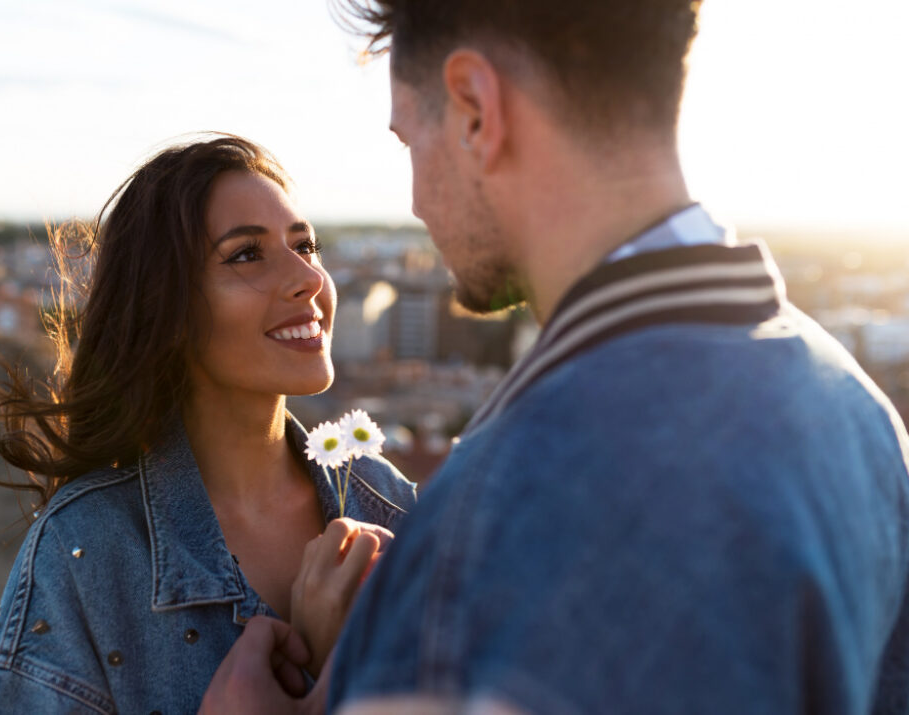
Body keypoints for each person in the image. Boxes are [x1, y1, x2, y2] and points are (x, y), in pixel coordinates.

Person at [201, 1, 909, 713]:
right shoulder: (857, 416)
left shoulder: (499, 509)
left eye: (409, 140)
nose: (415, 201)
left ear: (476, 109)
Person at [0, 134, 416, 713]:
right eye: (247, 253)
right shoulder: (89, 553)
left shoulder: (389, 503)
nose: (310, 279)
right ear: (166, 308)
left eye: (307, 246)